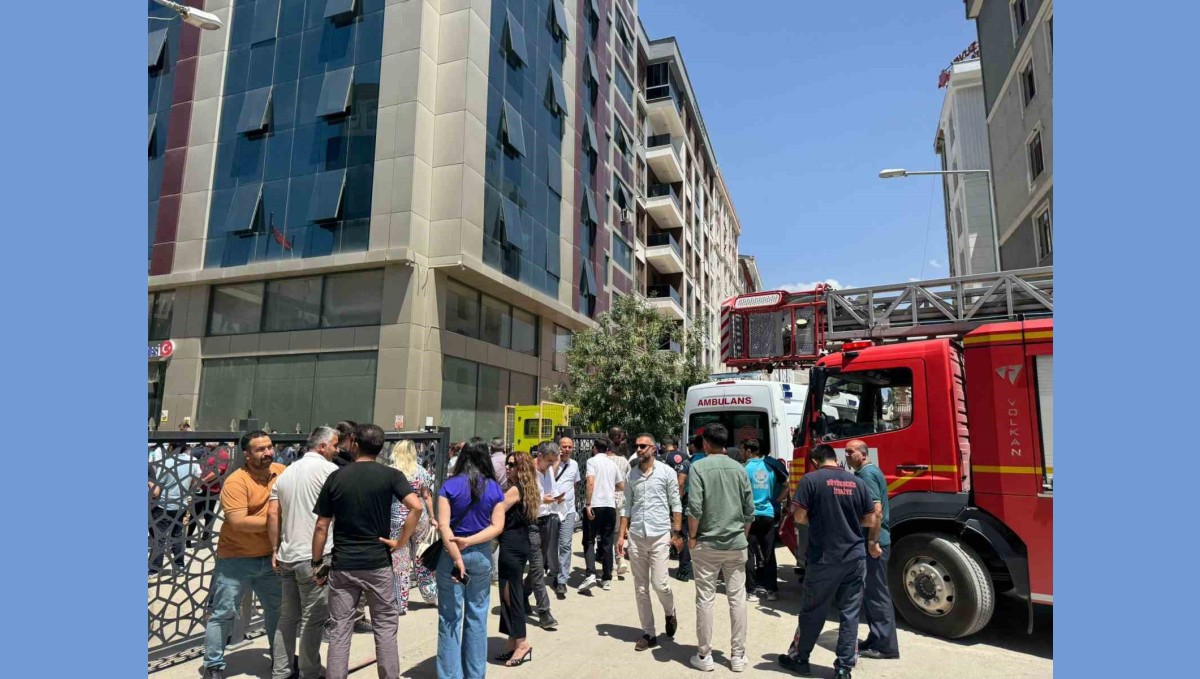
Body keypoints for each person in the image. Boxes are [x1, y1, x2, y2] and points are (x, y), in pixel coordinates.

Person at [313, 424, 424, 679]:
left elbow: (321, 525)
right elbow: (416, 507)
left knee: (340, 630)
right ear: (380, 446)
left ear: (354, 442)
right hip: (377, 562)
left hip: (344, 563)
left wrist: (317, 562)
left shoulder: (337, 477)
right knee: (385, 627)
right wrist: (400, 541)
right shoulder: (391, 475)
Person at [777, 444, 878, 679]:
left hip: (824, 557)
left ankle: (800, 659)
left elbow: (800, 516)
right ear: (835, 458)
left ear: (814, 462)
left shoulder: (811, 480)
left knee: (813, 610)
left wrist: (823, 520)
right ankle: (843, 668)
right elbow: (870, 519)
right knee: (850, 613)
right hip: (855, 558)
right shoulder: (857, 481)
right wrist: (847, 522)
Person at [202, 431, 286, 679]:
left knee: (277, 611)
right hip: (236, 559)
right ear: (247, 454)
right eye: (260, 449)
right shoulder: (236, 482)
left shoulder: (282, 472)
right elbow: (238, 521)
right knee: (223, 612)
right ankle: (213, 665)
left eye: (269, 447)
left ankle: (280, 658)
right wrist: (277, 522)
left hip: (270, 558)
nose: (267, 453)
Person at [267, 427, 339, 679]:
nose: (336, 450)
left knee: (287, 618)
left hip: (288, 554)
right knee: (313, 618)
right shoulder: (329, 471)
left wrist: (274, 548)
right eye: (334, 445)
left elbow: (273, 514)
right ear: (322, 446)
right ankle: (310, 672)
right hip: (316, 555)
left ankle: (281, 671)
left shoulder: (286, 474)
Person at [435, 438, 507, 678]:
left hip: (451, 552)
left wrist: (457, 553)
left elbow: (444, 525)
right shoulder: (494, 488)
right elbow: (497, 527)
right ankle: (475, 674)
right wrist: (471, 540)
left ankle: (450, 674)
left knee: (449, 617)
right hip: (481, 553)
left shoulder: (449, 486)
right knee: (477, 616)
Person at [687, 423, 755, 673]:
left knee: (705, 599)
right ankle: (738, 655)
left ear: (705, 443)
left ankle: (704, 655)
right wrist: (742, 536)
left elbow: (695, 507)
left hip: (707, 543)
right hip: (736, 543)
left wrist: (692, 537)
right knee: (737, 599)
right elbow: (749, 510)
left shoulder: (698, 467)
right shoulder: (739, 468)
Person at [616, 433, 683, 651]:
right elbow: (626, 506)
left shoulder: (667, 472)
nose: (639, 449)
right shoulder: (632, 474)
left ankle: (670, 611)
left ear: (654, 449)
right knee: (640, 587)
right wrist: (621, 536)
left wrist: (677, 533)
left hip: (660, 535)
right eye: (637, 446)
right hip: (637, 535)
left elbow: (676, 503)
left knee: (660, 584)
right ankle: (649, 633)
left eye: (643, 446)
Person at [845, 439, 900, 660]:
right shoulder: (867, 472)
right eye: (846, 452)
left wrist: (872, 541)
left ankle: (885, 646)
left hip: (874, 543)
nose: (847, 455)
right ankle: (876, 637)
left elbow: (876, 511)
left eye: (851, 452)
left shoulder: (866, 475)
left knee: (877, 594)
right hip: (873, 541)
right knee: (870, 593)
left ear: (863, 454)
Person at [493, 451, 541, 666]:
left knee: (511, 593)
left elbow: (497, 509)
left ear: (521, 468)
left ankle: (521, 642)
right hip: (516, 542)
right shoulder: (525, 487)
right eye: (507, 463)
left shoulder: (514, 490)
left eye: (512, 464)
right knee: (507, 593)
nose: (507, 467)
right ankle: (513, 640)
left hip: (512, 544)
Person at [384, 440, 438, 614]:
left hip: (398, 517)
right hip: (420, 517)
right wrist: (432, 517)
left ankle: (400, 603)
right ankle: (431, 595)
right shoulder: (421, 471)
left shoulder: (390, 471)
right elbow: (427, 496)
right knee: (422, 556)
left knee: (400, 562)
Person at [330, 420, 372, 633]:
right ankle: (347, 619)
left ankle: (354, 617)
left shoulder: (345, 462)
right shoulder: (339, 465)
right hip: (343, 526)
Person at [580, 437, 623, 593]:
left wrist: (588, 503)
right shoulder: (612, 464)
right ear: (607, 449)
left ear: (594, 448)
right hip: (609, 505)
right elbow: (621, 485)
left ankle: (591, 574)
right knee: (607, 542)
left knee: (589, 540)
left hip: (595, 504)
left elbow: (590, 482)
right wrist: (608, 487)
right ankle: (606, 578)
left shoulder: (592, 461)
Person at [150, 441, 200, 575]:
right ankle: (179, 567)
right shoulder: (193, 461)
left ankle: (155, 569)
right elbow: (195, 481)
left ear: (171, 447)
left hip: (163, 505)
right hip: (181, 505)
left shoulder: (166, 463)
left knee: (159, 538)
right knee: (177, 536)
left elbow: (156, 492)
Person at [526, 442, 561, 627]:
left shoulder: (548, 471)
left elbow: (551, 490)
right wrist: (542, 500)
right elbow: (524, 497)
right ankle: (544, 611)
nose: (551, 465)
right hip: (532, 522)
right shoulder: (528, 471)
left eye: (553, 461)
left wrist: (557, 497)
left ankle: (523, 593)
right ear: (539, 456)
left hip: (547, 520)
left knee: (539, 565)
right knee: (538, 567)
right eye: (549, 461)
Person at [742, 439, 779, 602]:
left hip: (751, 515)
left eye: (743, 450)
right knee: (769, 553)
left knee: (749, 553)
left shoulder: (745, 469)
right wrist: (777, 500)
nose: (742, 453)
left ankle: (751, 591)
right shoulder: (770, 467)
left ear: (749, 451)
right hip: (768, 513)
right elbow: (785, 484)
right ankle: (771, 590)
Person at [552, 435, 580, 597]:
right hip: (551, 511)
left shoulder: (574, 464)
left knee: (565, 545)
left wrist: (573, 504)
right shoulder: (551, 463)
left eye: (570, 447)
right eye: (564, 446)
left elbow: (574, 485)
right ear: (558, 447)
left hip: (568, 511)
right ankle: (555, 572)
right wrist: (557, 460)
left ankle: (562, 580)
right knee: (551, 547)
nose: (567, 449)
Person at [189, 442, 232, 545]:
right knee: (194, 514)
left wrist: (202, 480)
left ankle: (205, 538)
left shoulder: (223, 454)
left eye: (211, 441)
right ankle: (188, 539)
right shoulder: (207, 452)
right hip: (200, 488)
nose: (208, 443)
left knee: (208, 514)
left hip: (212, 489)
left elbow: (218, 471)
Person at [666, 438, 696, 581]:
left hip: (690, 500)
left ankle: (684, 570)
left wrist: (676, 501)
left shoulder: (688, 462)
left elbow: (681, 483)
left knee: (684, 534)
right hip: (710, 502)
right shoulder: (709, 460)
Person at [607, 434, 633, 577]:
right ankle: (620, 557)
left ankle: (611, 563)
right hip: (621, 499)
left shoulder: (603, 461)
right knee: (618, 531)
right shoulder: (624, 461)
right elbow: (629, 479)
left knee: (607, 533)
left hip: (606, 499)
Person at [489, 437, 508, 584]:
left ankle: (495, 573)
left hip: (494, 499)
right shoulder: (509, 460)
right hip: (510, 498)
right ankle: (503, 570)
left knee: (493, 536)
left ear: (491, 448)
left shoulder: (490, 463)